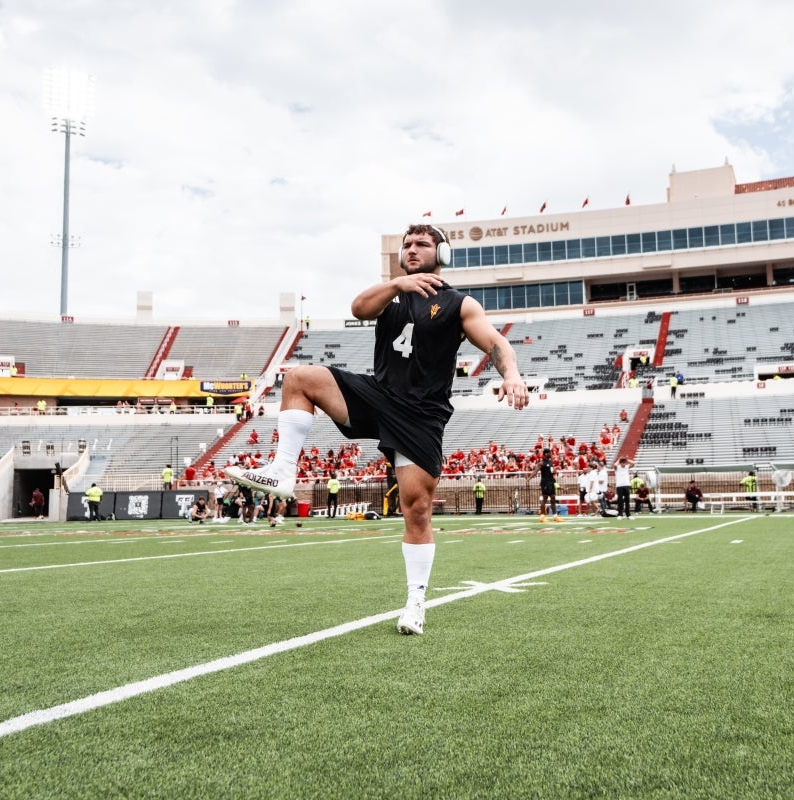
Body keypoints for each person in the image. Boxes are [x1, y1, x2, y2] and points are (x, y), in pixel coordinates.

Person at [229, 223, 529, 636]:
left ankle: (415, 602)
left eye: (422, 244)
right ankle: (283, 470)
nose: (411, 249)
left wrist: (511, 373)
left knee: (417, 509)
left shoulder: (459, 303)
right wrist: (398, 284)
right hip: (377, 395)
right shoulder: (391, 296)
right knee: (299, 377)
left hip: (420, 414)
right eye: (406, 245)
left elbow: (495, 342)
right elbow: (358, 307)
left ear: (441, 254)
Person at [538, 455, 560, 523]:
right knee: (545, 499)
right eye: (549, 453)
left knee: (553, 498)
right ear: (546, 454)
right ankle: (542, 517)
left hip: (551, 482)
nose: (550, 454)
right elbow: (535, 471)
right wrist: (529, 478)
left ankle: (555, 516)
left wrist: (554, 470)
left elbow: (553, 471)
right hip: (545, 483)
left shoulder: (550, 462)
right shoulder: (541, 463)